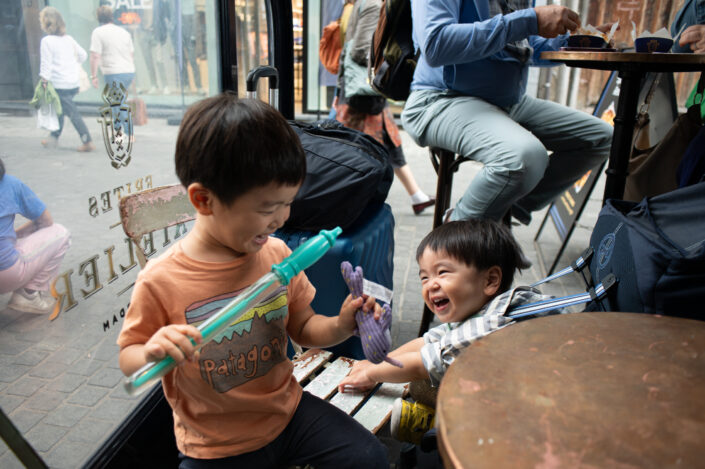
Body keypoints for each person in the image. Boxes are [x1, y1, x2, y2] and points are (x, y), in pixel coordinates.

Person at [117, 94, 389, 469]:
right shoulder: (160, 279)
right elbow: (129, 359)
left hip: (286, 413)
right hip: (215, 443)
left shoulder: (276, 255)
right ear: (204, 200)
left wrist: (342, 325)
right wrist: (151, 351)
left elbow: (304, 327)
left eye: (287, 202)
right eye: (267, 208)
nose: (281, 219)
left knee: (369, 458)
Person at [338, 219, 562, 444]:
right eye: (424, 277)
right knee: (421, 375)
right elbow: (428, 341)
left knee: (423, 381)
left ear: (490, 280)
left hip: (534, 416)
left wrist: (371, 374)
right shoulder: (482, 307)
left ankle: (449, 429)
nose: (431, 285)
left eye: (442, 272)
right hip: (515, 387)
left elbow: (422, 363)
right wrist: (376, 362)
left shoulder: (490, 326)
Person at [401, 1, 614, 224]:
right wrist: (529, 21)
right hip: (444, 98)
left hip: (509, 102)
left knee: (601, 138)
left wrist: (575, 43)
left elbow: (522, 46)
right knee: (524, 157)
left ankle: (502, 209)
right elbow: (436, 44)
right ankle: (458, 232)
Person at [335, 0, 435, 215]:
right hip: (365, 94)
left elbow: (347, 50)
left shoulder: (359, 4)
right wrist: (387, 58)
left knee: (388, 144)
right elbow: (358, 51)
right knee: (359, 150)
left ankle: (417, 196)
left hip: (361, 93)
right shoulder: (372, 5)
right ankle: (347, 201)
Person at [0, 158, 71, 313]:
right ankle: (28, 295)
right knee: (60, 233)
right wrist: (14, 235)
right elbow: (46, 221)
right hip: (5, 273)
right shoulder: (9, 184)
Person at [38, 6, 95, 152]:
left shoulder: (47, 41)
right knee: (60, 110)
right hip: (72, 82)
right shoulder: (69, 39)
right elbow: (83, 55)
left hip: (59, 83)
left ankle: (87, 141)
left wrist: (44, 82)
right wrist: (71, 65)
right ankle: (53, 137)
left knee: (71, 113)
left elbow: (46, 64)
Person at [89, 5, 136, 91]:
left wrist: (94, 76)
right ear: (112, 16)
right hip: (129, 72)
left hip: (113, 72)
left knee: (116, 98)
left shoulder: (98, 32)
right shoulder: (124, 32)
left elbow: (95, 56)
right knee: (119, 96)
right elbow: (131, 54)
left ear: (98, 17)